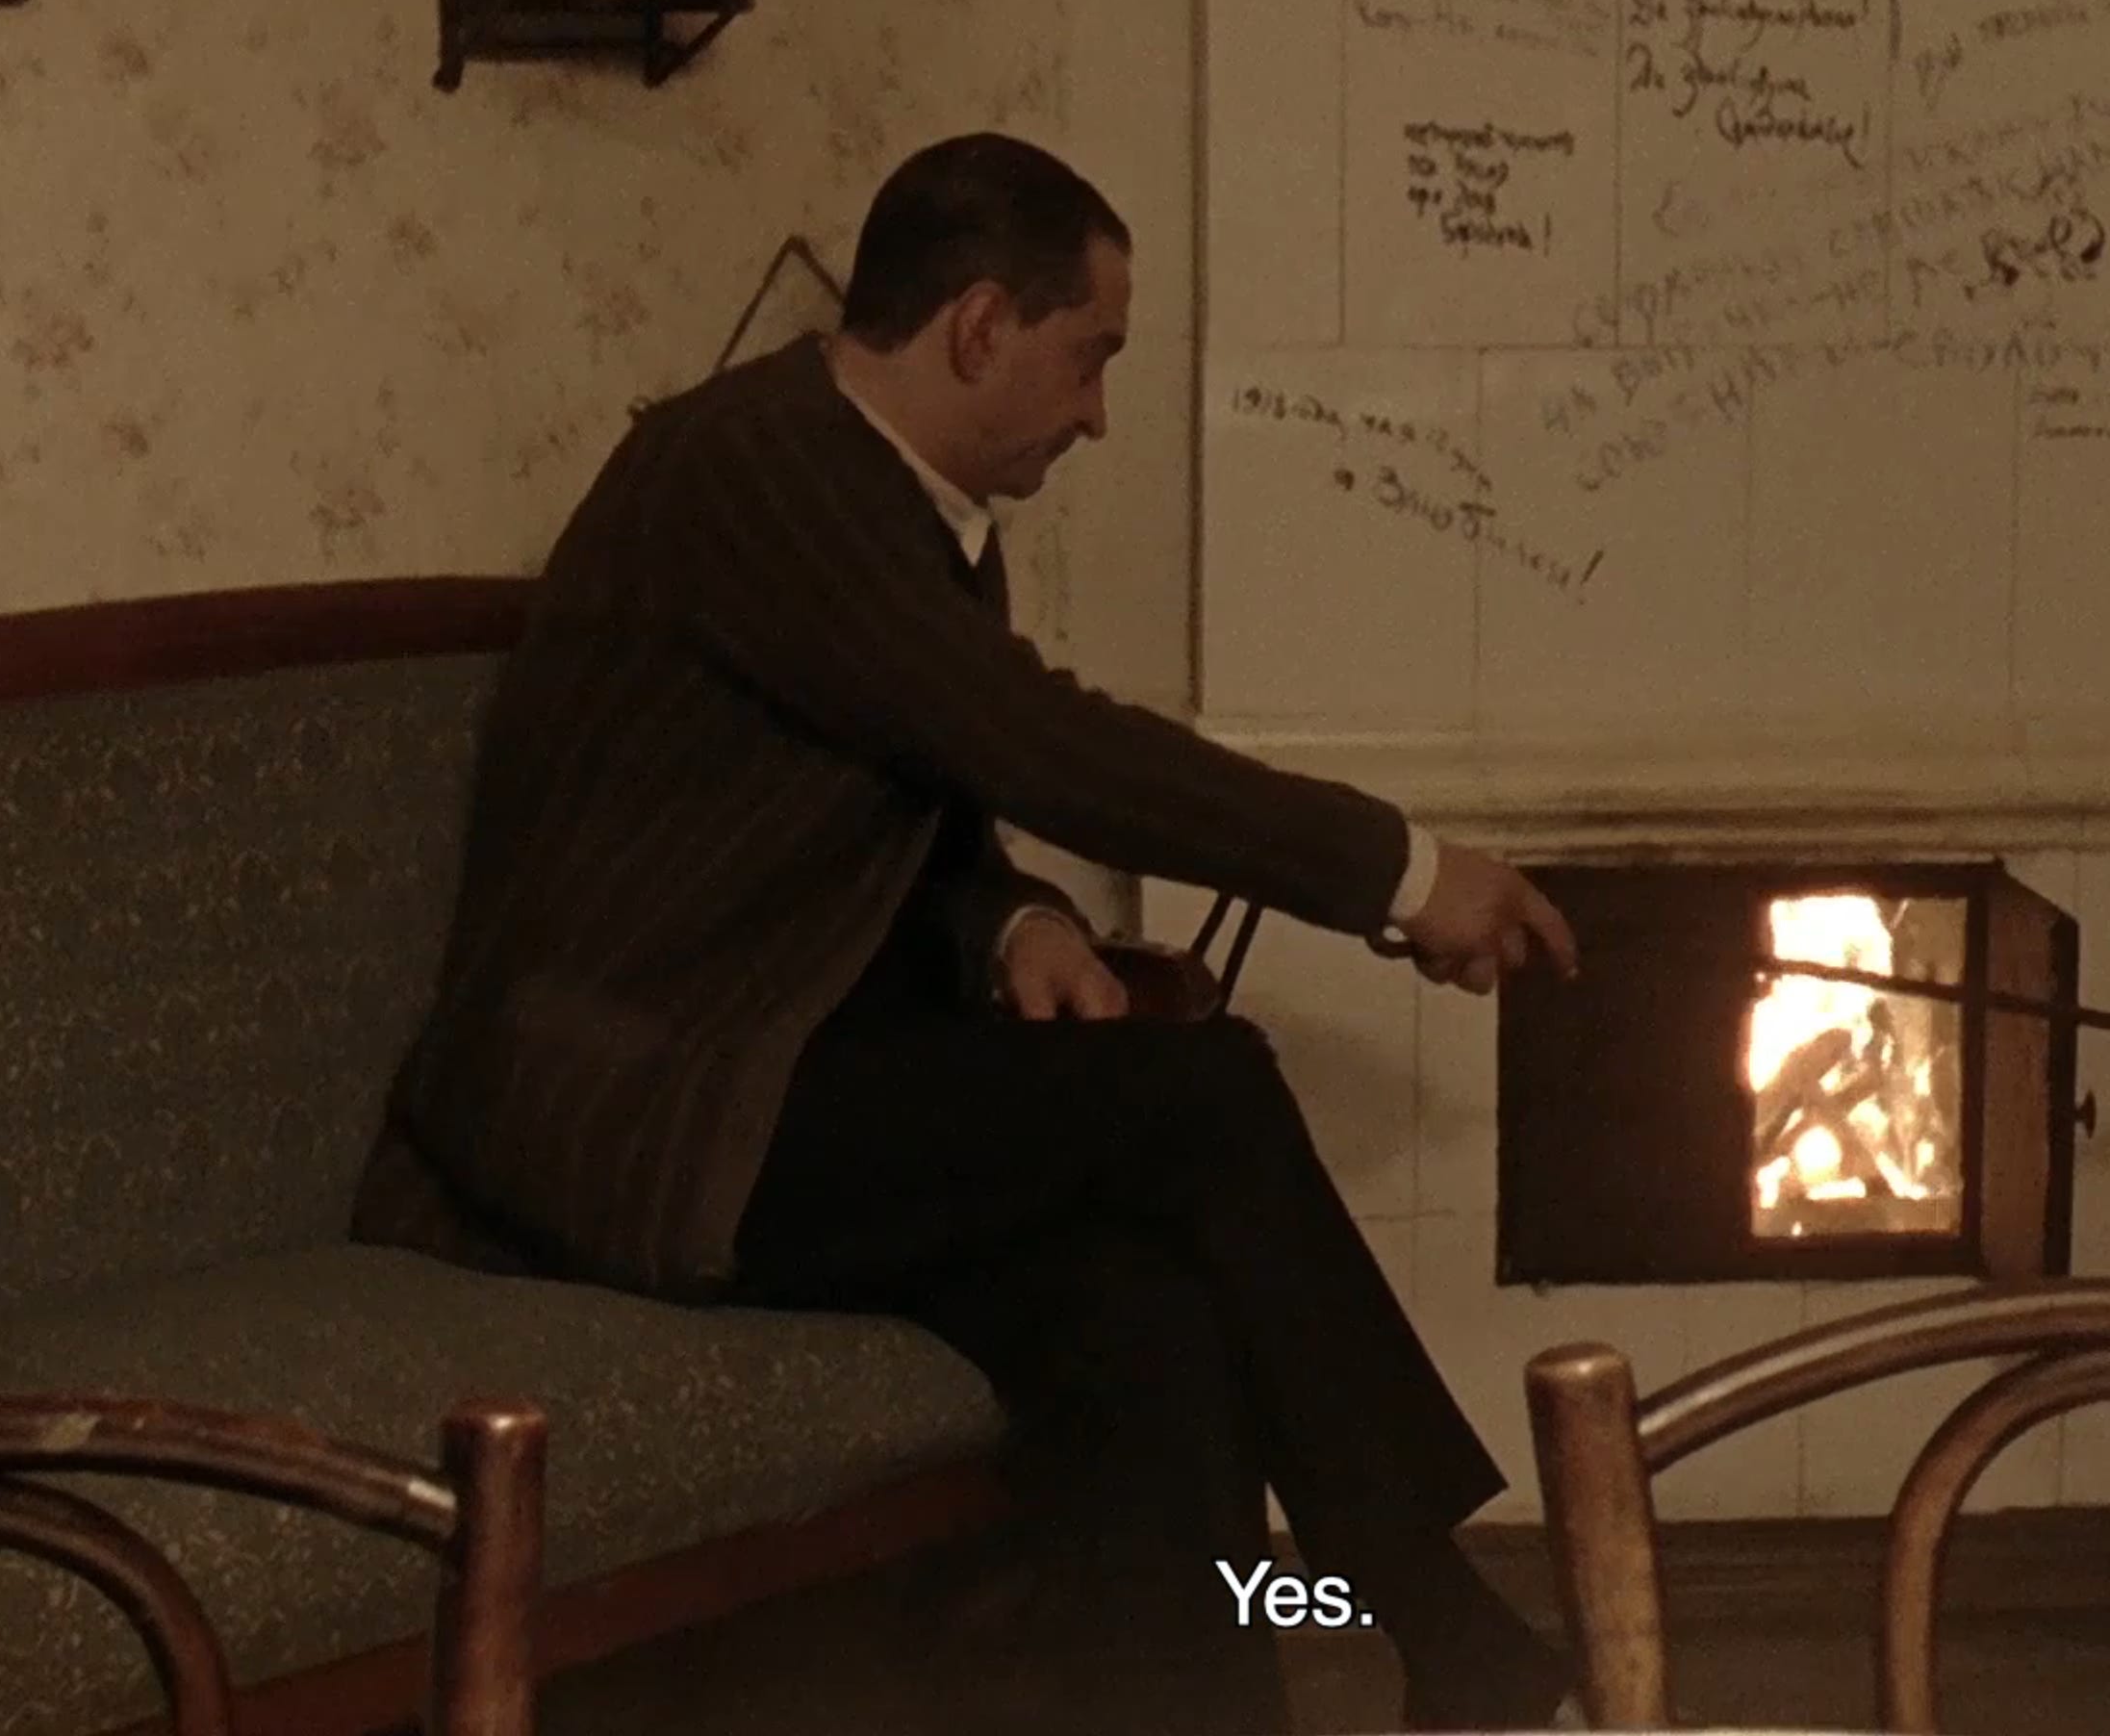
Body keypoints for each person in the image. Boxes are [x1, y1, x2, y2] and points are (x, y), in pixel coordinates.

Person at [356, 134, 1588, 1734]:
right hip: (627, 1110)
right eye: (1091, 358)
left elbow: (909, 795)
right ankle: (1447, 1628)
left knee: (1140, 1317)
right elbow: (1027, 741)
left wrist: (1011, 918)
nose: (1098, 414)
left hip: (772, 1069)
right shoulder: (756, 471)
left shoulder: (894, 500)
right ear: (981, 326)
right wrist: (1405, 874)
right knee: (1201, 1092)